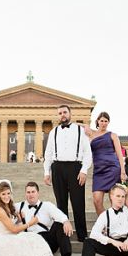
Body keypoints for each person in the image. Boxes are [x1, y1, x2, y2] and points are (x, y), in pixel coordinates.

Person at [43, 104, 93, 242]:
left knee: (78, 203)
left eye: (65, 112)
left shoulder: (80, 130)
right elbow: (48, 153)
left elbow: (88, 152)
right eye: (60, 113)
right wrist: (46, 172)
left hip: (75, 168)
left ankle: (82, 236)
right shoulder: (54, 131)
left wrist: (84, 170)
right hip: (57, 168)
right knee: (61, 203)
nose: (62, 115)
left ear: (70, 114)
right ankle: (63, 234)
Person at [17, 181, 78, 256]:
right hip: (29, 241)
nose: (30, 194)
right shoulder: (18, 207)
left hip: (47, 239)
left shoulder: (47, 205)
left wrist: (66, 221)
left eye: (33, 192)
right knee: (38, 240)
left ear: (38, 193)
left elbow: (60, 215)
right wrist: (18, 219)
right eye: (28, 192)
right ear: (25, 194)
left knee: (59, 223)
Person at [82, 112, 126, 217]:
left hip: (112, 168)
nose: (103, 123)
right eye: (101, 120)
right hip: (98, 170)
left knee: (114, 200)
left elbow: (120, 154)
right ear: (97, 121)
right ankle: (105, 223)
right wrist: (85, 125)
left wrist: (123, 171)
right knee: (97, 200)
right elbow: (74, 124)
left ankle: (117, 223)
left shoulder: (112, 135)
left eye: (106, 121)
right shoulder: (91, 133)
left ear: (108, 122)